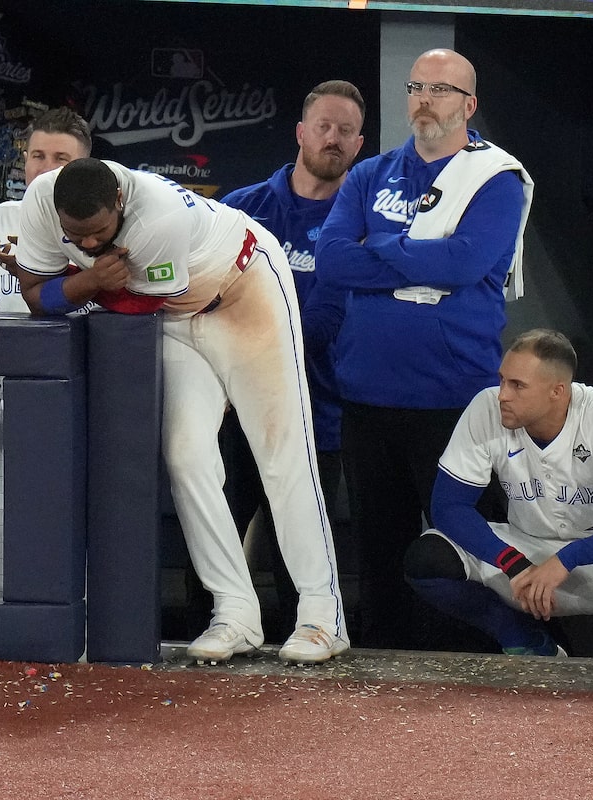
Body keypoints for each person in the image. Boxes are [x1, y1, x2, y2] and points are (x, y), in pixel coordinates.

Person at [10, 157, 347, 664]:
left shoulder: (156, 213)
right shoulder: (40, 200)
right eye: (75, 236)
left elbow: (130, 305)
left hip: (243, 288)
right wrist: (88, 281)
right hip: (177, 316)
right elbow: (37, 299)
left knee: (282, 454)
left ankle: (323, 616)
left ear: (118, 203)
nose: (88, 245)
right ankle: (234, 611)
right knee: (185, 456)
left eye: (98, 232)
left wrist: (81, 283)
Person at [315, 48, 534, 649]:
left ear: (469, 104)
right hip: (365, 397)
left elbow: (466, 263)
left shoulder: (495, 179)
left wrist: (379, 247)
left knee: (463, 545)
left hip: (451, 399)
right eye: (416, 87)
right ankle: (382, 659)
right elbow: (333, 261)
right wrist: (413, 259)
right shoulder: (369, 173)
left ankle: (476, 662)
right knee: (377, 547)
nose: (424, 99)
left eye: (440, 89)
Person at [403, 329, 593, 660]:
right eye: (502, 380)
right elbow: (448, 506)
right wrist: (510, 561)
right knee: (427, 556)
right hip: (524, 554)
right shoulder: (486, 408)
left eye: (517, 385)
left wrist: (567, 559)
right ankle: (524, 641)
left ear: (558, 391)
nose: (502, 395)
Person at [218, 80, 365, 636]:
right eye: (323, 127)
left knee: (296, 550)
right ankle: (212, 642)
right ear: (301, 133)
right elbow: (205, 302)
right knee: (217, 534)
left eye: (345, 131)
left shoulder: (365, 224)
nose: (332, 138)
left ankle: (301, 657)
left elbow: (336, 327)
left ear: (358, 144)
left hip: (320, 416)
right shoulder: (242, 209)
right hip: (238, 413)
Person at [0, 107, 95, 596]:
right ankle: (13, 634)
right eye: (37, 155)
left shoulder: (106, 227)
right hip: (15, 411)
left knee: (86, 531)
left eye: (61, 158)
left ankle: (87, 652)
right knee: (5, 526)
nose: (45, 167)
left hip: (91, 411)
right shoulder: (1, 221)